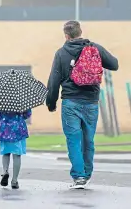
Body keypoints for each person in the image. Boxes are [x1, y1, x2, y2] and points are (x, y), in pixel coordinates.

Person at [46, 21, 118, 189]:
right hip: (91, 102)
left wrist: (51, 103)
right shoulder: (95, 48)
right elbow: (114, 64)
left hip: (70, 102)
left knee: (73, 140)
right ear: (80, 32)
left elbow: (54, 81)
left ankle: (79, 177)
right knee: (88, 140)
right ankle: (87, 173)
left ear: (66, 35)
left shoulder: (61, 53)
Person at [0, 109, 31, 189]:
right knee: (17, 155)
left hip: (5, 129)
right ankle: (14, 180)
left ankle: (5, 172)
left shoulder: (2, 99)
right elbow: (27, 114)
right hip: (18, 129)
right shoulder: (22, 98)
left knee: (5, 153)